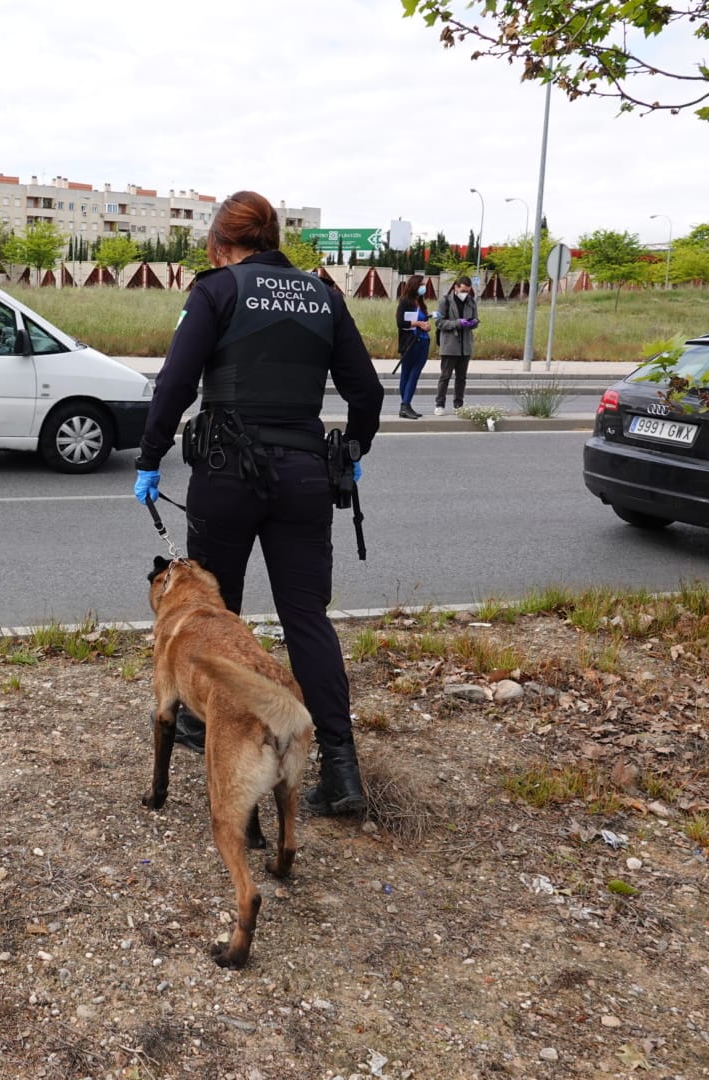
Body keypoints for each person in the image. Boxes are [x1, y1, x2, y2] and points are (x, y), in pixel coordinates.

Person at [133, 190, 385, 817]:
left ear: (222, 243)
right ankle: (342, 770)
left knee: (220, 612)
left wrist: (148, 457)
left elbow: (175, 382)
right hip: (304, 475)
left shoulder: (217, 290)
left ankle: (199, 728)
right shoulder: (323, 295)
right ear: (273, 241)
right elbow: (367, 390)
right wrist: (352, 450)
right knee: (307, 620)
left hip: (227, 472)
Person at [433, 274, 479, 415]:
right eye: (463, 290)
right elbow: (439, 322)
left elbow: (476, 318)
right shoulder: (445, 301)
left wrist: (473, 323)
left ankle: (458, 404)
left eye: (468, 291)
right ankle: (440, 404)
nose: (465, 294)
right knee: (445, 376)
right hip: (450, 345)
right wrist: (457, 323)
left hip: (465, 346)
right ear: (456, 288)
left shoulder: (471, 302)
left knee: (461, 378)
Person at [394, 274, 432, 419]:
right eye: (422, 284)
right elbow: (400, 323)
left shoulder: (421, 303)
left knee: (415, 373)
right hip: (409, 343)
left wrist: (426, 326)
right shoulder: (405, 301)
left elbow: (424, 320)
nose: (424, 287)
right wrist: (417, 324)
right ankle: (405, 405)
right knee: (408, 373)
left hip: (422, 341)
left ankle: (406, 404)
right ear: (415, 285)